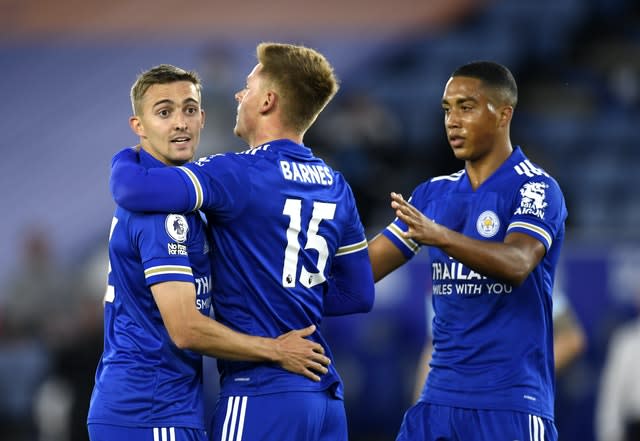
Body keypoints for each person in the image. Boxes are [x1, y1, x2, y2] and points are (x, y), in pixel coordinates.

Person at [108, 43, 375, 441]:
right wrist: (287, 293)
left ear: (267, 101)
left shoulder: (235, 173)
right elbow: (359, 294)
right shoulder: (337, 186)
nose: (238, 94)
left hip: (260, 391)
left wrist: (125, 155)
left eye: (248, 87)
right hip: (324, 396)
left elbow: (133, 189)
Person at [368, 61, 568, 441]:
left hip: (511, 402)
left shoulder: (536, 188)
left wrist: (442, 236)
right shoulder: (432, 194)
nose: (452, 121)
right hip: (438, 400)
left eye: (466, 106)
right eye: (447, 109)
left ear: (503, 114)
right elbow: (362, 271)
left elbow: (518, 262)